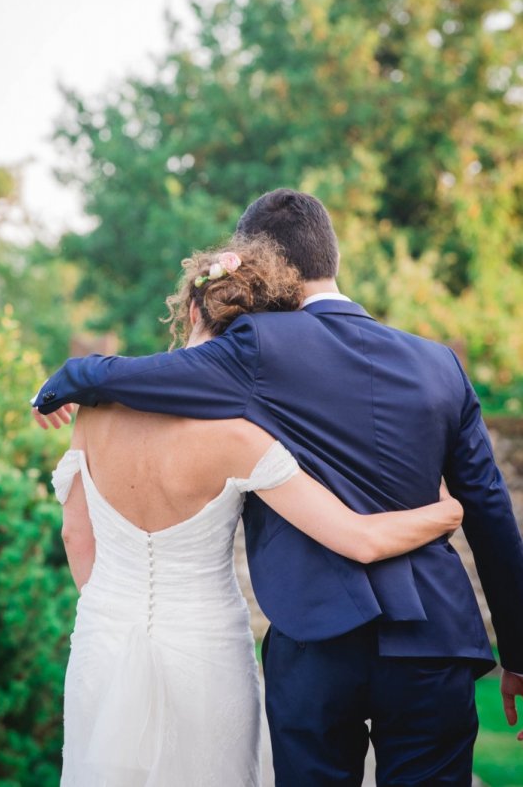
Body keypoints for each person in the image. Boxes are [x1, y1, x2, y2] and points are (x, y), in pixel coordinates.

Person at [34, 190, 523, 786]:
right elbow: (493, 513)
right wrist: (518, 652)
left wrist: (71, 377)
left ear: (261, 262)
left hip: (316, 639)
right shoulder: (440, 363)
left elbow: (144, 377)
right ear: (332, 256)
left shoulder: (257, 345)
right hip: (435, 636)